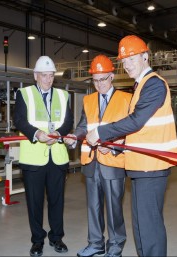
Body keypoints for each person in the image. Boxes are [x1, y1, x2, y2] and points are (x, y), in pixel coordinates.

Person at [86, 35, 177, 257]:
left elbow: (136, 120)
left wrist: (100, 132)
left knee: (150, 227)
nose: (126, 65)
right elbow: (138, 131)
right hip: (140, 166)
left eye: (131, 59)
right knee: (140, 226)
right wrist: (114, 146)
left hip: (153, 167)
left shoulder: (154, 84)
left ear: (145, 57)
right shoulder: (140, 86)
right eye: (124, 61)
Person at [64, 55, 132, 257]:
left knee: (114, 209)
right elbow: (84, 126)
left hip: (113, 162)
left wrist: (113, 148)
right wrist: (74, 136)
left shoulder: (126, 99)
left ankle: (115, 245)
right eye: (95, 80)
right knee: (93, 207)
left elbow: (131, 131)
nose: (99, 84)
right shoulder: (88, 100)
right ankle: (95, 244)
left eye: (103, 79)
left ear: (112, 76)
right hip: (92, 162)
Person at [13, 56, 74, 257]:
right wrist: (37, 134)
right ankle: (37, 241)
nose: (48, 80)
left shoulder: (63, 96)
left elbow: (67, 121)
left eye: (51, 76)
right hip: (33, 158)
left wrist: (57, 135)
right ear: (35, 76)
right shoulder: (24, 94)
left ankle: (57, 238)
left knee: (57, 201)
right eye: (44, 76)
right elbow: (20, 120)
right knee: (35, 202)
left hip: (57, 156)